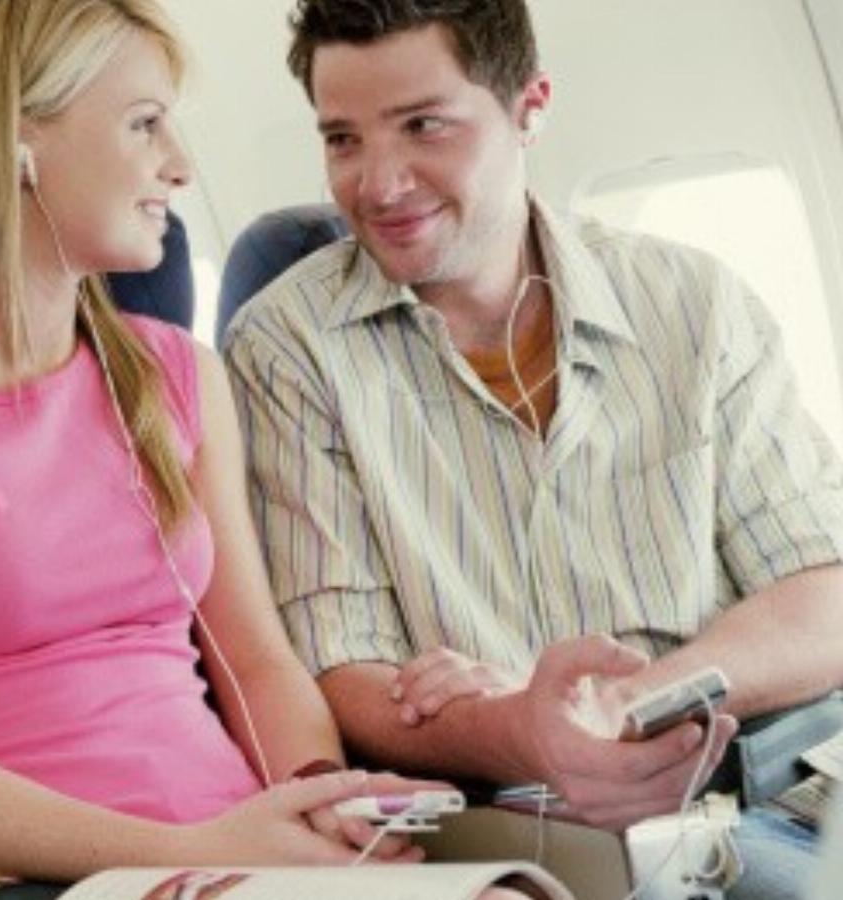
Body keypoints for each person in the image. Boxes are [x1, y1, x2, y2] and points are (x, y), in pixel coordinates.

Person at [0, 2, 535, 899]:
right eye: (144, 124)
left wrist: (316, 799)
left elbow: (255, 662)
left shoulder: (174, 375)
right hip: (27, 876)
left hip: (229, 854)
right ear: (15, 143)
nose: (178, 165)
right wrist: (187, 850)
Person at [221, 1, 843, 897]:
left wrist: (623, 705)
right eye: (343, 140)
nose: (379, 185)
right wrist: (523, 728)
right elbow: (343, 673)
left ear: (529, 107)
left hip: (765, 780)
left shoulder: (694, 305)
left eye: (423, 126)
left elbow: (821, 591)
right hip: (522, 823)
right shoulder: (287, 349)